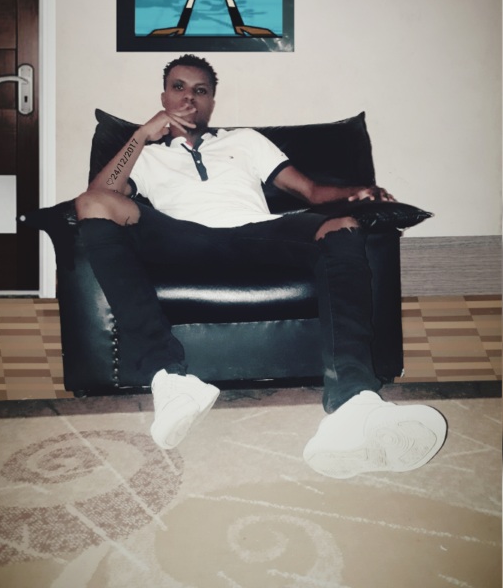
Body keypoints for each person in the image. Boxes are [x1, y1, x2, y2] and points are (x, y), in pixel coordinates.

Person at [74, 54, 447, 480]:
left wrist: (357, 192)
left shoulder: (245, 141)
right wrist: (141, 134)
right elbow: (99, 194)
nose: (189, 98)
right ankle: (171, 381)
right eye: (179, 87)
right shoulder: (144, 155)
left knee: (341, 226)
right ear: (164, 97)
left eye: (200, 90)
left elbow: (310, 192)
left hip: (256, 233)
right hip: (181, 238)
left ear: (212, 102)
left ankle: (353, 402)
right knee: (92, 204)